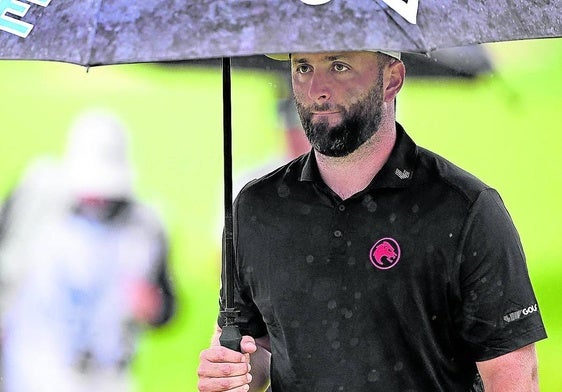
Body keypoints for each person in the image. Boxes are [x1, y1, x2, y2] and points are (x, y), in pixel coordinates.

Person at [197, 50, 547, 392]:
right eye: (303, 67)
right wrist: (230, 372)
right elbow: (253, 346)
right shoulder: (256, 207)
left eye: (339, 66)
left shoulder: (464, 207)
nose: (317, 89)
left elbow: (511, 373)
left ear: (392, 79)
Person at [0, 108, 176, 392]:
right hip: (32, 369)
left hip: (105, 376)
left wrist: (151, 305)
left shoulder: (144, 225)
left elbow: (167, 306)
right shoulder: (33, 198)